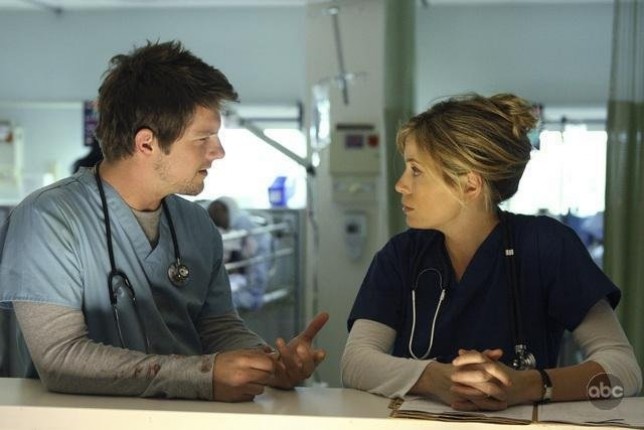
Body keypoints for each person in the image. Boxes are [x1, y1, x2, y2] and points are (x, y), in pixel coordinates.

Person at [0, 40, 328, 402]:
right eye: (203, 138)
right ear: (146, 143)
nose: (218, 151)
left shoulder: (197, 224)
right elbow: (60, 359)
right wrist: (202, 376)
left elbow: (218, 327)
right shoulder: (47, 219)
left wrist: (268, 364)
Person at [341, 93, 641, 410]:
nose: (400, 185)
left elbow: (624, 370)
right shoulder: (402, 255)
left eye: (415, 170)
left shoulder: (547, 247)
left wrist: (529, 385)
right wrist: (434, 378)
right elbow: (355, 362)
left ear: (470, 185)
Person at [208, 197, 271, 311]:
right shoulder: (221, 226)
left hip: (250, 264)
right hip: (235, 266)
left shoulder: (243, 225)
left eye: (219, 212)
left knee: (252, 289)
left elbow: (253, 252)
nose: (216, 215)